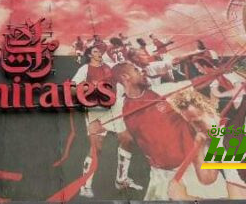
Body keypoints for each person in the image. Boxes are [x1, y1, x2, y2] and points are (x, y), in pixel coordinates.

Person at [112, 62, 219, 200]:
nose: (142, 72)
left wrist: (219, 72)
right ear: (126, 77)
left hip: (190, 165)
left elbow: (195, 83)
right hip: (160, 174)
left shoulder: (162, 91)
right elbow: (125, 139)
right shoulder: (121, 108)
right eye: (136, 70)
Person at [73, 46, 142, 198]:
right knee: (96, 148)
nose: (99, 53)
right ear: (90, 55)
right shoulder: (85, 69)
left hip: (115, 106)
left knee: (127, 139)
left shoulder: (110, 67)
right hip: (97, 109)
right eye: (96, 51)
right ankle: (85, 186)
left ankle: (121, 179)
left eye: (100, 51)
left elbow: (122, 78)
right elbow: (73, 87)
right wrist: (91, 89)